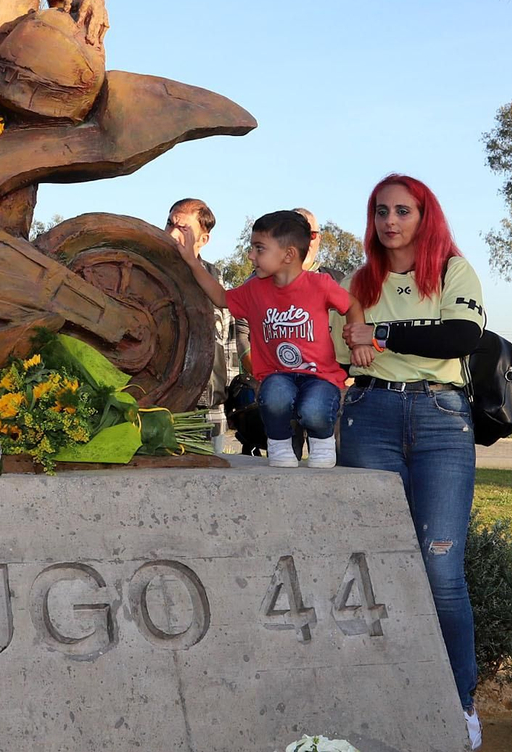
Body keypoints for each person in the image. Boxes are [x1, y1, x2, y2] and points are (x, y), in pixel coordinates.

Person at [337, 174, 486, 749]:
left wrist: (381, 332)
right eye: (381, 211)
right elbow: (341, 345)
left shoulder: (452, 271)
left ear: (425, 216)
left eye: (403, 210)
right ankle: (380, 692)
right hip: (368, 415)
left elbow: (461, 336)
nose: (390, 221)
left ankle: (460, 702)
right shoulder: (360, 280)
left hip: (439, 422)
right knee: (370, 566)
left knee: (440, 571)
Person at [174, 210, 362, 468]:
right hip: (278, 374)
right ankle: (279, 442)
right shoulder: (254, 289)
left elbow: (352, 305)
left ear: (288, 255)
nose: (251, 255)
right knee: (274, 395)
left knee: (314, 409)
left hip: (320, 376)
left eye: (259, 248)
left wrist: (358, 340)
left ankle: (322, 439)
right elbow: (220, 297)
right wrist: (193, 262)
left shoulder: (321, 284)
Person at [163, 198, 233, 408]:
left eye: (183, 229)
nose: (172, 234)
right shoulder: (146, 272)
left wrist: (227, 393)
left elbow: (227, 343)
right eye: (170, 224)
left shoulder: (215, 278)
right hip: (159, 403)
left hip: (207, 405)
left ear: (203, 239)